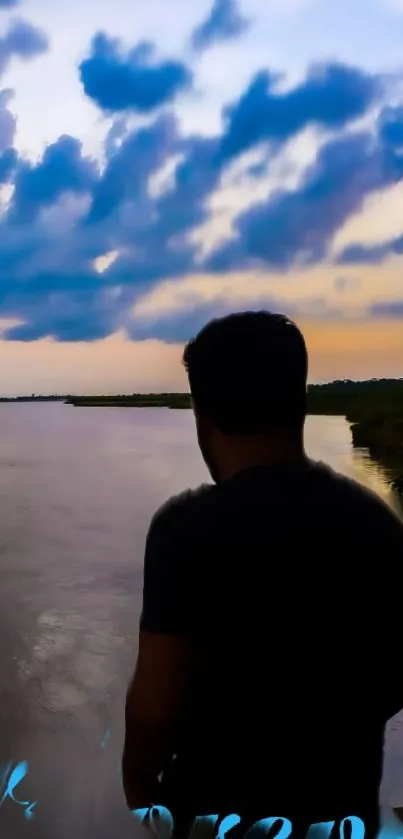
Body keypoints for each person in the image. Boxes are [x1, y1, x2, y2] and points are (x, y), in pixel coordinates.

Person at [122, 311, 403, 839]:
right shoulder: (377, 523)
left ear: (202, 414)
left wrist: (137, 786)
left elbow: (155, 709)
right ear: (299, 403)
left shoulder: (185, 530)